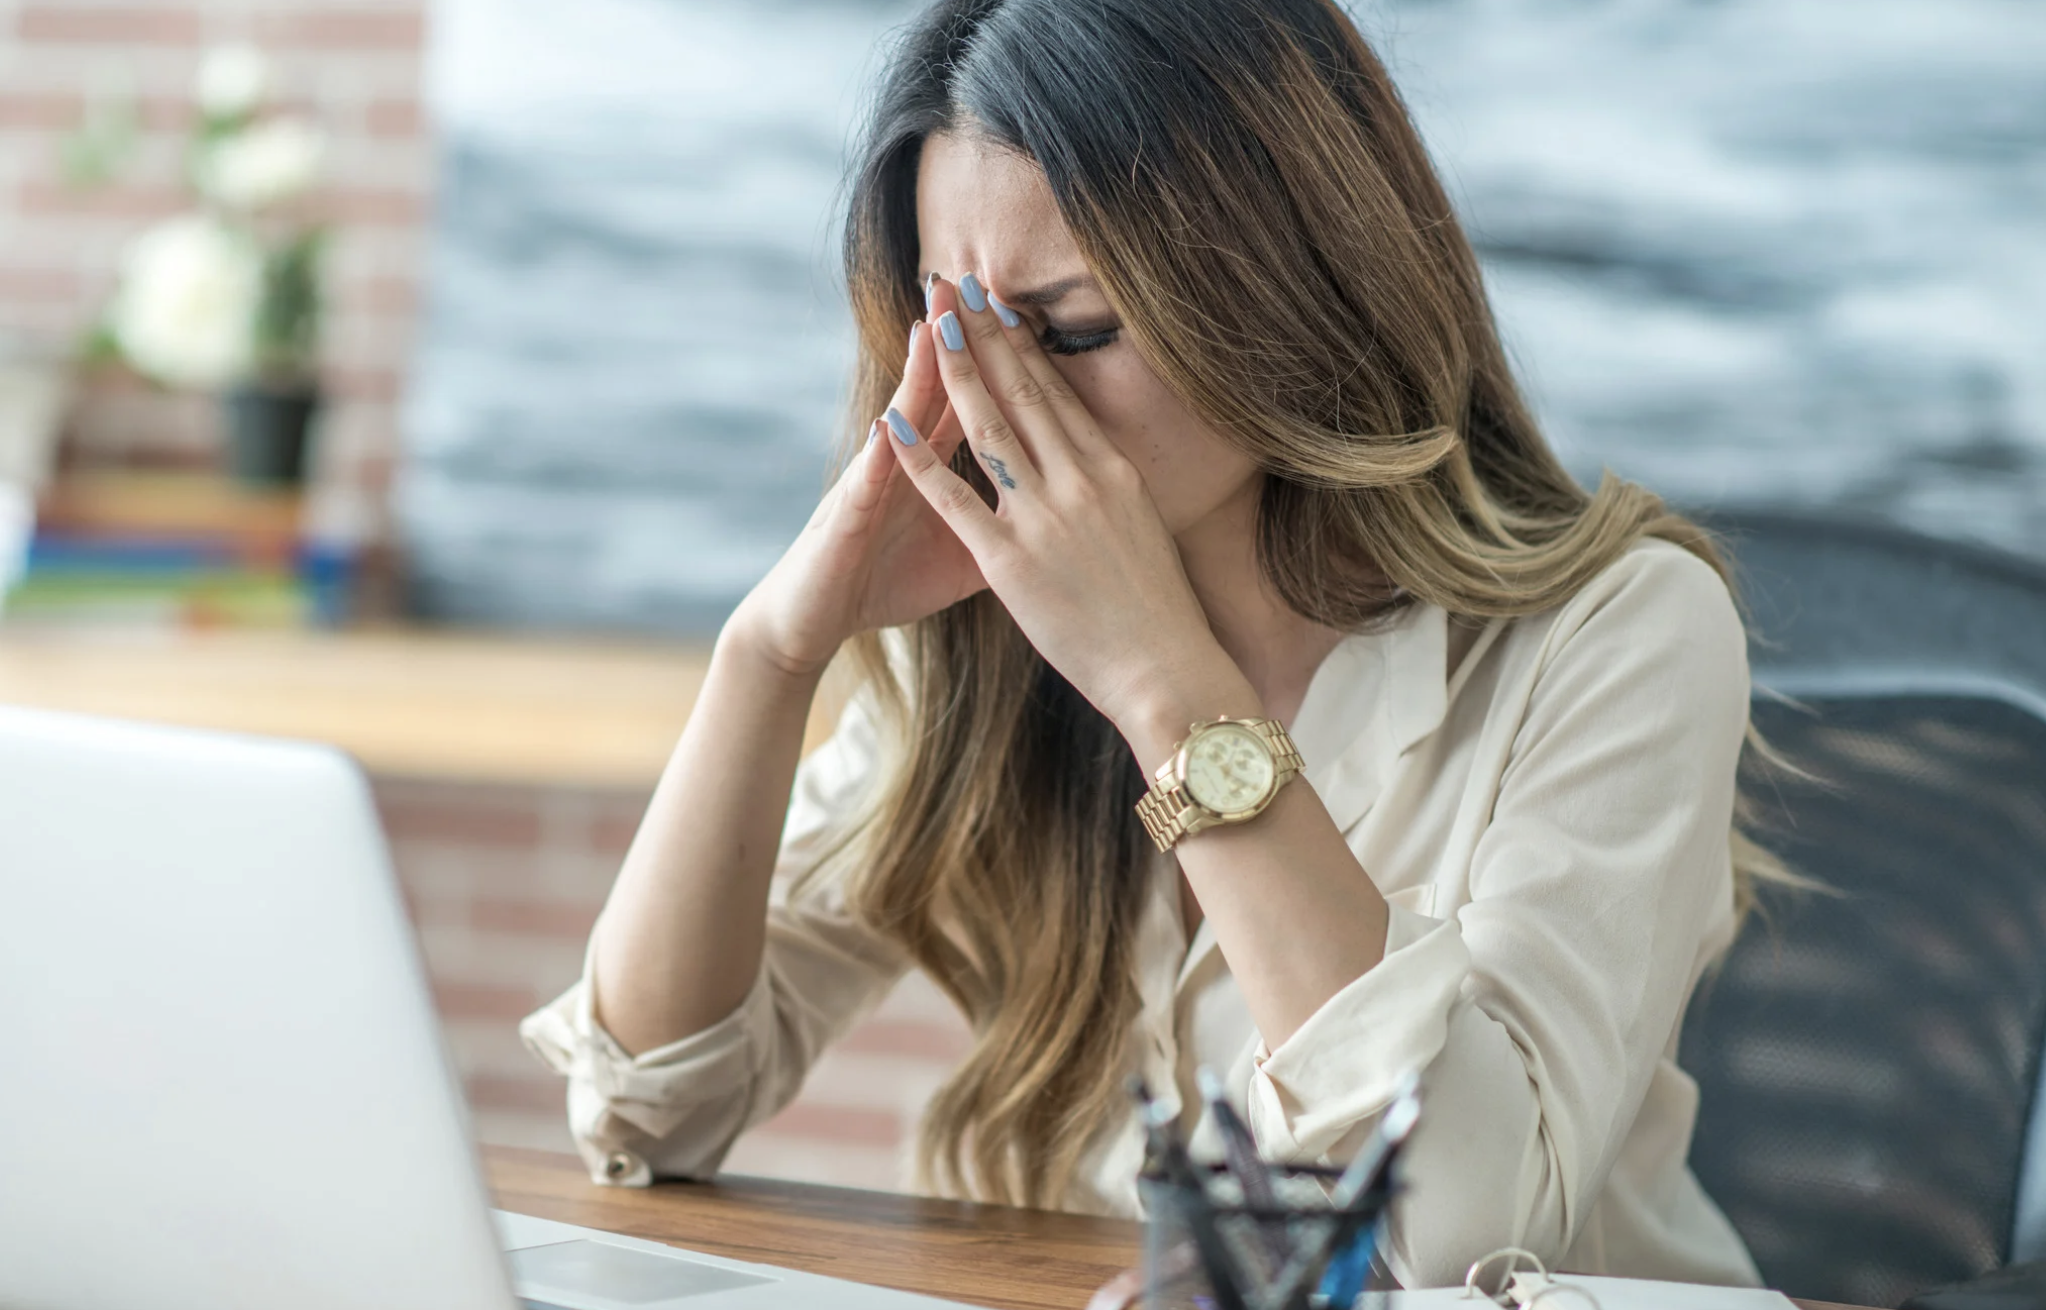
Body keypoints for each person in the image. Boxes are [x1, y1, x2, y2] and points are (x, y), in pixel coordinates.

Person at [522, 0, 1775, 1288]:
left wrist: (1163, 691)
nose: (1008, 405)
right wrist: (772, 654)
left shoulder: (1621, 631)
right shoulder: (986, 635)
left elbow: (1451, 1237)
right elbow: (645, 1112)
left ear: (1294, 282)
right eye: (964, 334)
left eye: (1074, 333)